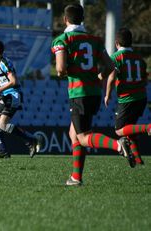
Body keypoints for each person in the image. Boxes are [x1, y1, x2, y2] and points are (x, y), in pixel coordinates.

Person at [51, 4, 135, 186]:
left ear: (65, 20)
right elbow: (111, 66)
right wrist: (98, 76)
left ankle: (118, 145)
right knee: (74, 133)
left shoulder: (62, 39)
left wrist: (65, 72)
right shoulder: (95, 39)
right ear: (82, 19)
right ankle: (76, 178)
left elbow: (60, 69)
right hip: (94, 91)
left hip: (79, 92)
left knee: (81, 136)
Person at [0, 40, 42, 158]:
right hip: (4, 96)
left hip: (13, 94)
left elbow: (14, 81)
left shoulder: (4, 62)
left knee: (2, 124)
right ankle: (3, 151)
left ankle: (30, 140)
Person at [104, 27, 150, 165]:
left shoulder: (116, 58)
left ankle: (148, 128)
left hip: (127, 99)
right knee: (129, 128)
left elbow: (111, 78)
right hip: (141, 97)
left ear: (116, 43)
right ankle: (138, 159)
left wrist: (107, 95)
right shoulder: (140, 59)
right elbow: (145, 79)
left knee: (119, 130)